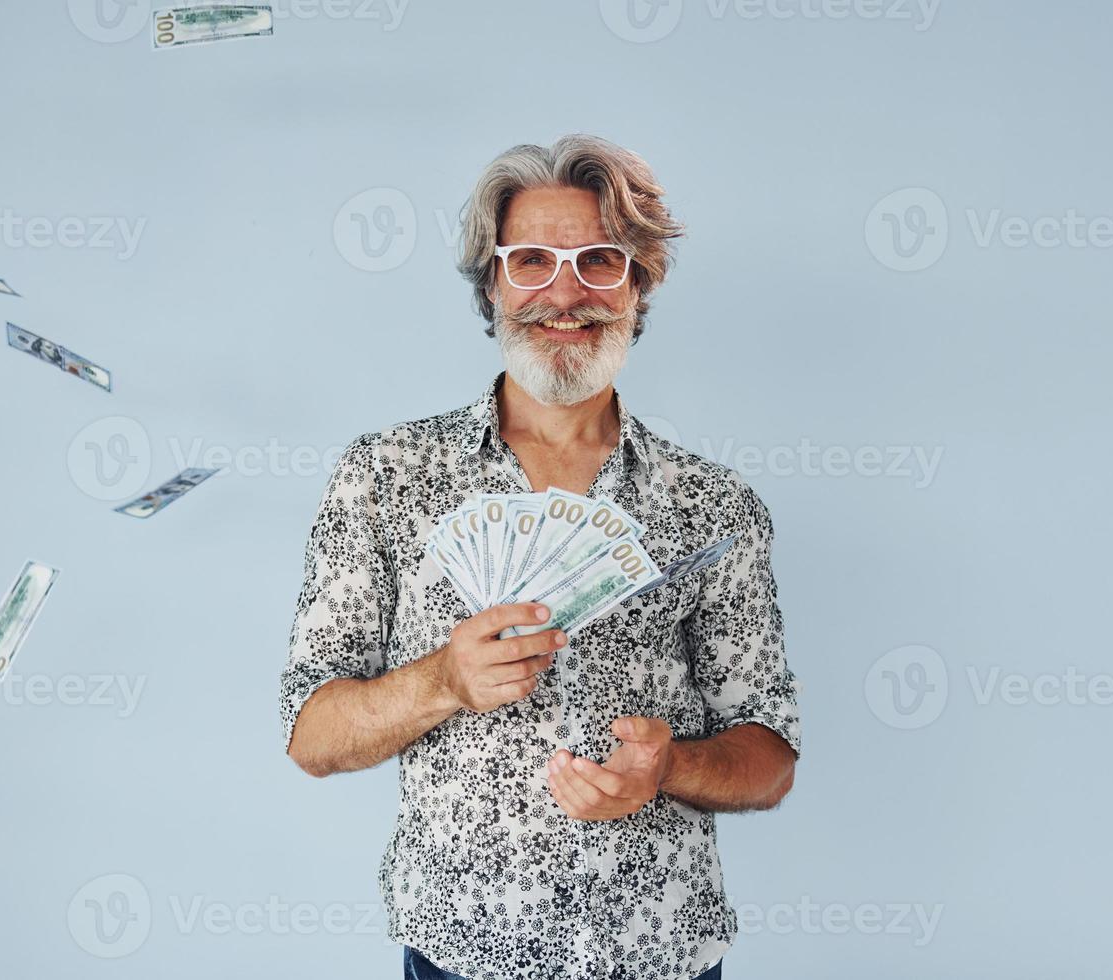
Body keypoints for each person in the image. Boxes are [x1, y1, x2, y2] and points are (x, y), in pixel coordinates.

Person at [280, 134, 801, 980]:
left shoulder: (715, 505)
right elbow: (312, 735)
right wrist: (442, 681)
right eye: (531, 261)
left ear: (640, 284)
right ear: (492, 282)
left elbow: (770, 756)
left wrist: (671, 766)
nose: (565, 292)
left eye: (600, 260)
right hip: (462, 955)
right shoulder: (384, 476)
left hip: (663, 952)